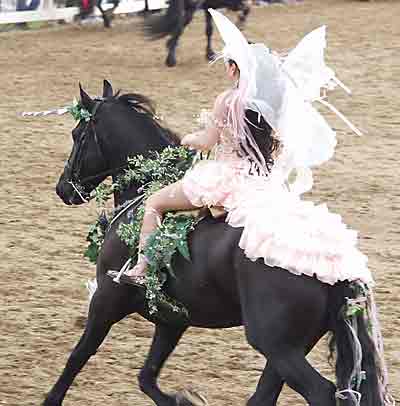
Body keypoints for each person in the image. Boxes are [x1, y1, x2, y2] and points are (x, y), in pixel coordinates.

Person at [116, 9, 372, 289]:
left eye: (228, 63)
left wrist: (188, 139)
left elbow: (207, 142)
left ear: (235, 68)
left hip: (225, 179)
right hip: (261, 181)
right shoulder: (272, 106)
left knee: (155, 202)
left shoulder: (228, 100)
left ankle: (142, 267)